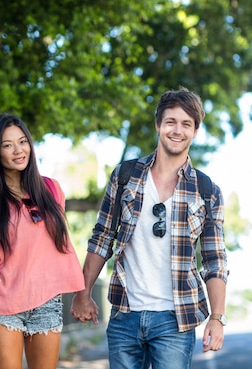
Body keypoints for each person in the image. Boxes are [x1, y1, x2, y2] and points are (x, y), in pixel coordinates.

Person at [71, 87, 229, 369]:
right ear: (158, 125)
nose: (177, 130)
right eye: (170, 122)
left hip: (175, 318)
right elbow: (102, 237)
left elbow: (215, 261)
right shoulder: (125, 176)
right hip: (124, 313)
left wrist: (217, 318)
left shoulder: (207, 191)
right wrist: (83, 293)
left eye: (186, 124)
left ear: (195, 131)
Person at [0, 113, 85, 369]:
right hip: (3, 300)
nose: (18, 150)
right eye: (8, 145)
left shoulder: (51, 190)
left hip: (46, 302)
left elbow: (61, 245)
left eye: (22, 142)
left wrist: (82, 293)